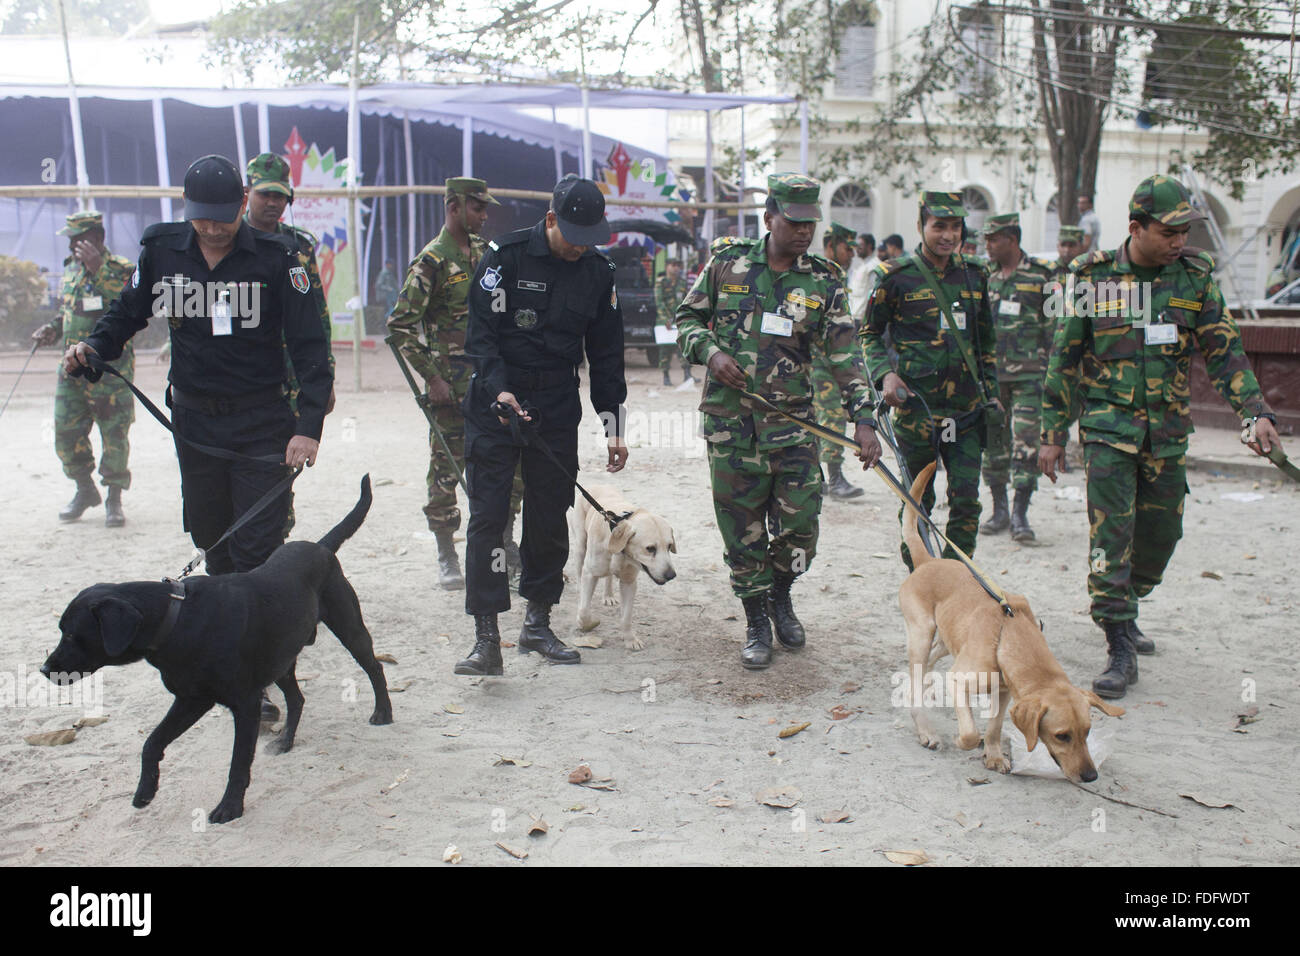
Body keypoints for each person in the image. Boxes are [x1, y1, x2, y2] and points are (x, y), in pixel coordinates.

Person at [1040, 174, 1282, 700]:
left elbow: (1225, 349)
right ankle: (1118, 638)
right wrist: (1052, 433)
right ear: (1136, 228)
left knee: (1162, 537)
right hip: (1108, 432)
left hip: (1167, 433)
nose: (1180, 242)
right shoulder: (1091, 276)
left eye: (1185, 232)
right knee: (1112, 538)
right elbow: (1065, 358)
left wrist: (1254, 410)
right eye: (1170, 232)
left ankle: (1128, 603)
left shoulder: (1193, 277)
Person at [63, 154, 331, 581]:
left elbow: (310, 344)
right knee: (212, 540)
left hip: (261, 421)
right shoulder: (161, 250)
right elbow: (127, 312)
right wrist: (94, 346)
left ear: (242, 203)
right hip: (194, 425)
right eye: (202, 219)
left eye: (222, 220)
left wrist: (309, 424)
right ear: (185, 204)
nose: (211, 229)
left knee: (257, 545)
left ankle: (265, 645)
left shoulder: (278, 258)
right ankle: (230, 638)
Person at [676, 174, 881, 670]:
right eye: (794, 222)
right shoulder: (727, 263)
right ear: (769, 218)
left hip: (793, 429)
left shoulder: (824, 280)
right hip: (731, 427)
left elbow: (845, 353)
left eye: (811, 223)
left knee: (801, 529)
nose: (804, 232)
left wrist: (864, 419)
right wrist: (711, 351)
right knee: (742, 533)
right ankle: (756, 621)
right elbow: (685, 319)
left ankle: (781, 594)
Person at [453, 174, 629, 676]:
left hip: (555, 405)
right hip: (496, 404)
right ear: (550, 219)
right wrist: (499, 388)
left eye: (590, 238)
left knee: (550, 515)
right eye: (573, 236)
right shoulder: (505, 259)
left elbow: (607, 354)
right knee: (488, 519)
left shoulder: (597, 270)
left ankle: (537, 622)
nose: (581, 248)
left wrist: (613, 422)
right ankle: (486, 637)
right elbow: (481, 335)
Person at [386, 177, 523, 590]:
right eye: (478, 208)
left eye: (485, 209)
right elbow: (400, 326)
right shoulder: (432, 260)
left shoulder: (486, 254)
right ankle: (447, 552)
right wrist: (431, 376)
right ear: (454, 206)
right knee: (446, 469)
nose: (484, 216)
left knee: (506, 466)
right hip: (450, 388)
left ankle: (505, 541)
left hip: (490, 382)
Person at [861, 191, 997, 569]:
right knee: (918, 499)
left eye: (956, 228)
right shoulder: (895, 277)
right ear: (920, 226)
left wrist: (994, 395)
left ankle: (957, 575)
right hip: (917, 410)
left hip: (965, 414)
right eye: (940, 226)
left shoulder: (974, 274)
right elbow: (869, 333)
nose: (948, 236)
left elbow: (986, 341)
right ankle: (922, 575)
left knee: (966, 498)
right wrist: (885, 374)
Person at [243, 152, 336, 538]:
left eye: (280, 196)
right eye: (265, 195)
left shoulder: (298, 246)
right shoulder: (229, 243)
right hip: (244, 373)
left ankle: (275, 539)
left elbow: (317, 315)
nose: (273, 203)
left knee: (282, 466)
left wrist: (322, 379)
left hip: (290, 377)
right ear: (247, 194)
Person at [32, 211, 136, 526]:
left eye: (79, 238)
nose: (73, 244)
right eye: (71, 238)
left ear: (98, 238)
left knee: (113, 435)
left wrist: (98, 270)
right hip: (71, 367)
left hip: (108, 368)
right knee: (65, 431)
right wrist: (52, 328)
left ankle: (114, 499)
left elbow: (128, 305)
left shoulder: (121, 268)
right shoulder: (70, 270)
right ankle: (85, 489)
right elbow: (70, 310)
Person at [977, 212, 1055, 542]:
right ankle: (999, 509)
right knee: (994, 444)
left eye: (993, 239)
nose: (988, 245)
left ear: (1012, 239)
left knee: (1026, 444)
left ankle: (1021, 513)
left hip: (1030, 377)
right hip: (992, 379)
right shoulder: (984, 276)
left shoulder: (1043, 276)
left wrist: (1056, 375)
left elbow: (1056, 329)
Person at [814, 220, 865, 499]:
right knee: (832, 415)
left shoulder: (837, 275)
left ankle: (820, 477)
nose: (852, 254)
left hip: (833, 358)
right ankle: (834, 478)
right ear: (831, 245)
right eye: (848, 248)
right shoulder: (823, 274)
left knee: (819, 417)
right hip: (820, 361)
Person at [653, 257, 693, 386]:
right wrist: (665, 319)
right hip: (665, 321)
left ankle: (687, 374)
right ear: (667, 267)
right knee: (665, 349)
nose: (676, 268)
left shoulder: (682, 283)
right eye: (673, 265)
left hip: (679, 320)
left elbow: (686, 301)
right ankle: (665, 376)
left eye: (678, 265)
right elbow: (659, 302)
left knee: (683, 346)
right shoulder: (661, 282)